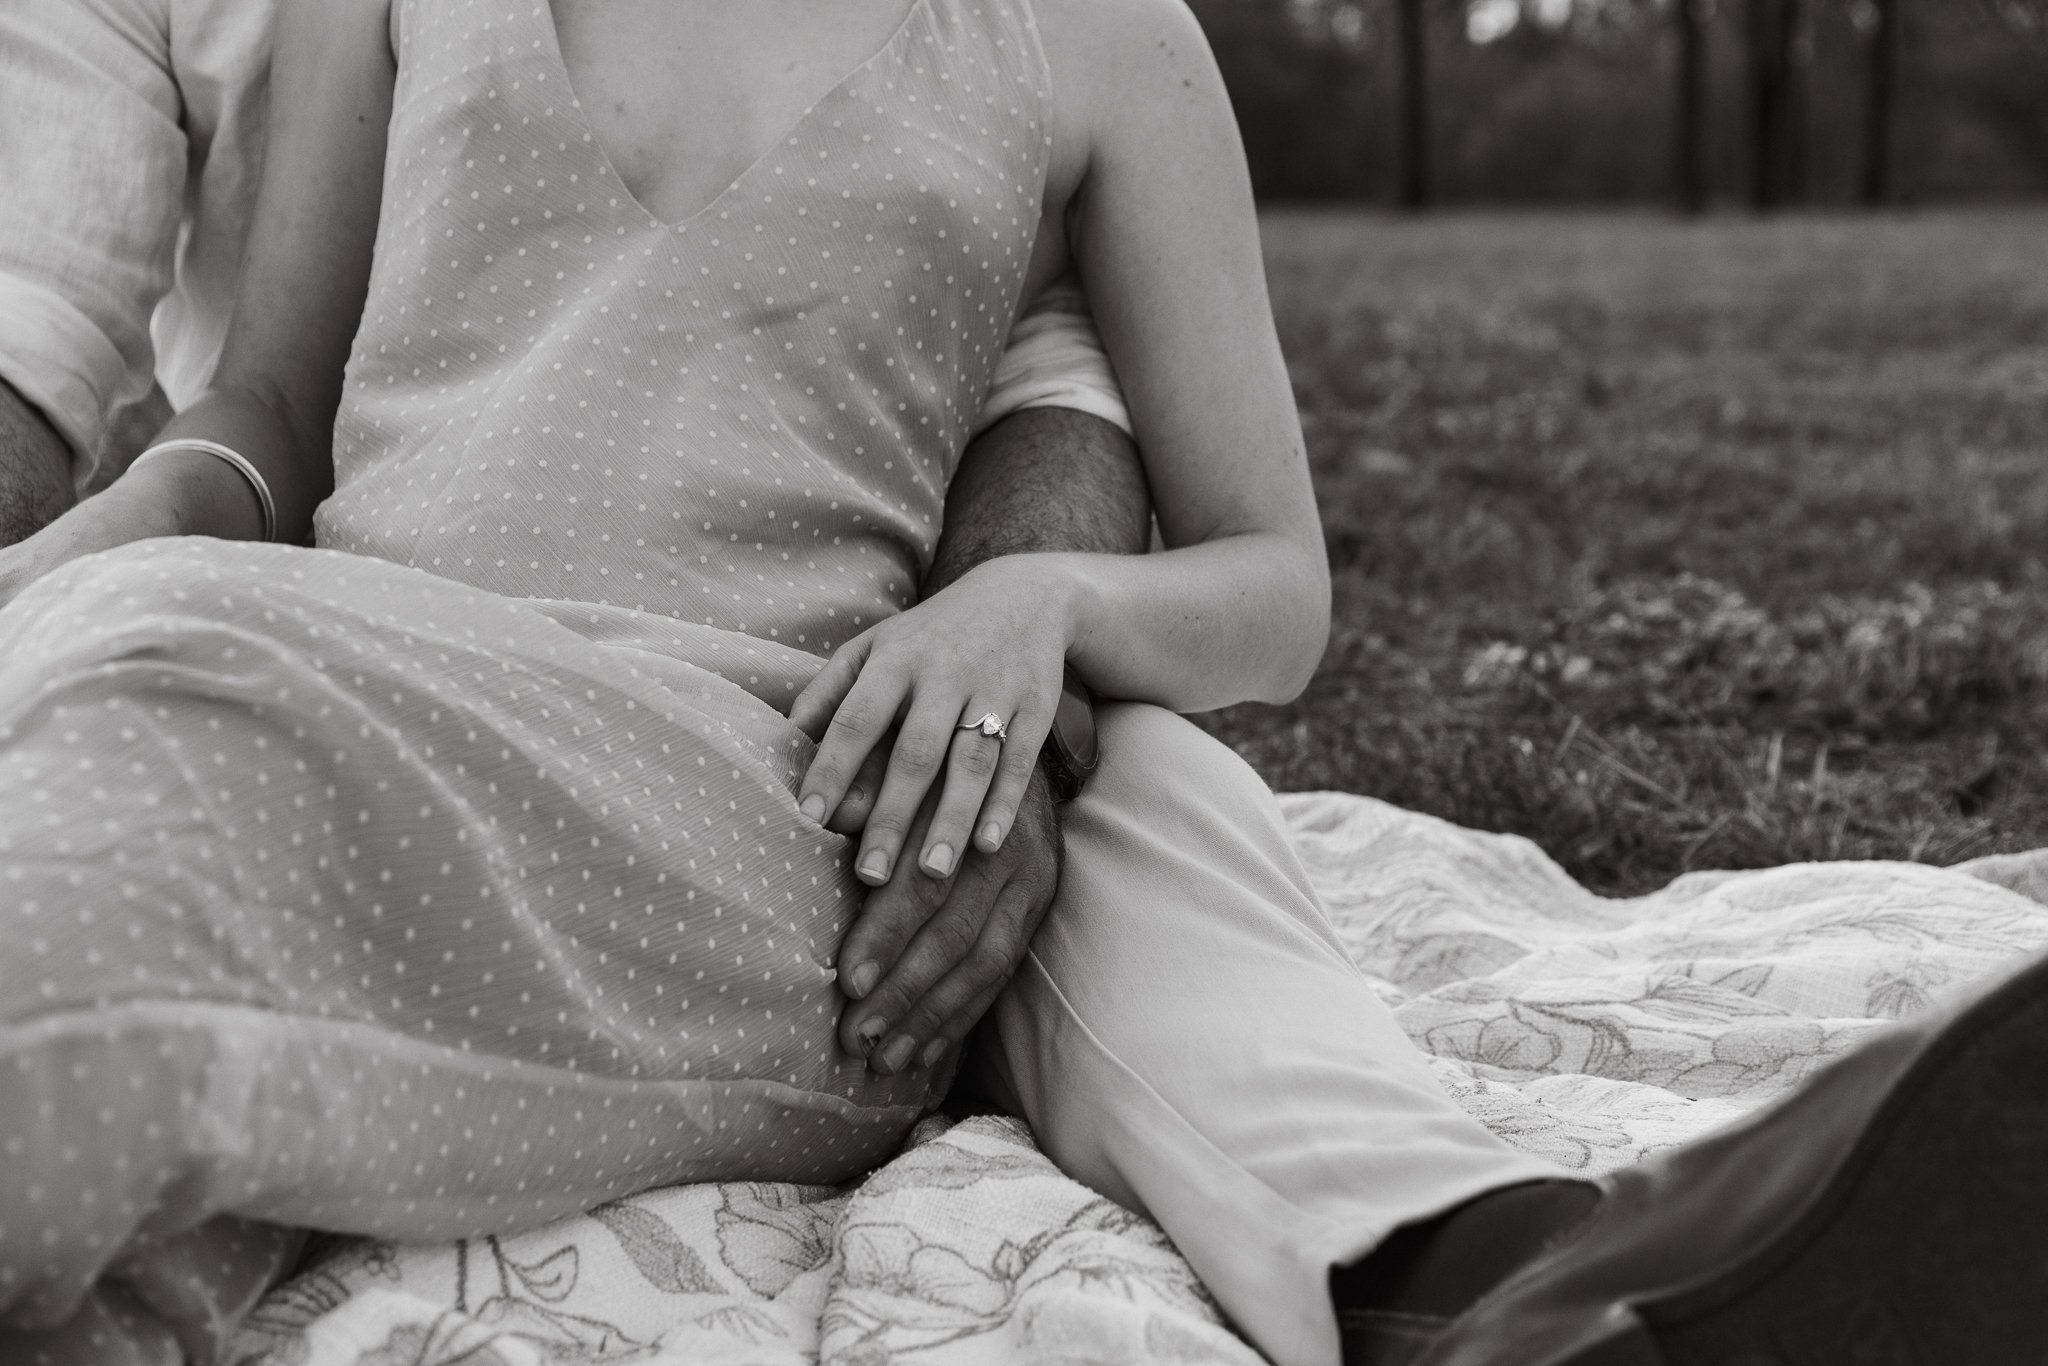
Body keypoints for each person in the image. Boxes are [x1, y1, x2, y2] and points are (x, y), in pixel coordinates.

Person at [0, 6, 2042, 1366]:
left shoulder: (1096, 35)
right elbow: (258, 413)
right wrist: (71, 576)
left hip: (773, 786)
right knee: (131, 702)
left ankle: (1547, 1276)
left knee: (165, 729)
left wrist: (1046, 605)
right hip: (349, 670)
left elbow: (1279, 580)